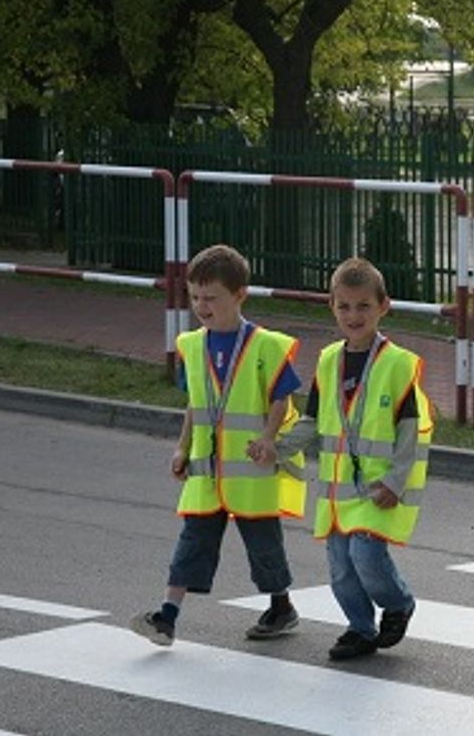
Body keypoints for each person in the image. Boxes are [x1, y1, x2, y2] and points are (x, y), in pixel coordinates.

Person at [252, 257, 433, 661]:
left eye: (364, 306)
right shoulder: (329, 359)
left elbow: (410, 431)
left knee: (366, 556)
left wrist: (396, 481)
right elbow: (314, 421)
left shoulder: (399, 364)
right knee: (340, 568)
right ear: (331, 306)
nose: (354, 315)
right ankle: (361, 629)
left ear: (383, 306)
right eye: (345, 306)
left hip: (377, 488)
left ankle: (398, 603)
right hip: (337, 493)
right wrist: (277, 447)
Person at [130, 243, 306, 646]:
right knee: (193, 541)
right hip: (207, 469)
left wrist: (268, 438)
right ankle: (167, 616)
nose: (202, 306)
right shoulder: (193, 346)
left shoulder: (266, 346)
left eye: (211, 298)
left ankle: (281, 607)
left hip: (250, 470)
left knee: (264, 547)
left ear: (240, 295)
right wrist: (181, 446)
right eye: (195, 297)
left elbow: (283, 397)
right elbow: (196, 402)